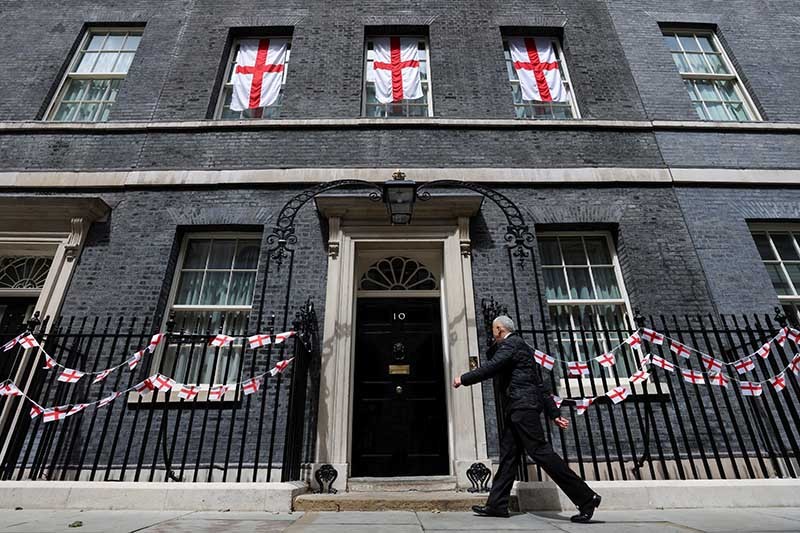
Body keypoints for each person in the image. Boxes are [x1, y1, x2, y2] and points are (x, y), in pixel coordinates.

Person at [453, 315, 601, 523]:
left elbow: (491, 367)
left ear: (499, 329)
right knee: (509, 456)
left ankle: (586, 498)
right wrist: (554, 414)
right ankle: (497, 505)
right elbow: (539, 384)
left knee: (540, 451)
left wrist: (463, 379)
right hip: (519, 408)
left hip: (522, 407)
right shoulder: (520, 347)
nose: (492, 334)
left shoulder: (512, 344)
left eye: (493, 330)